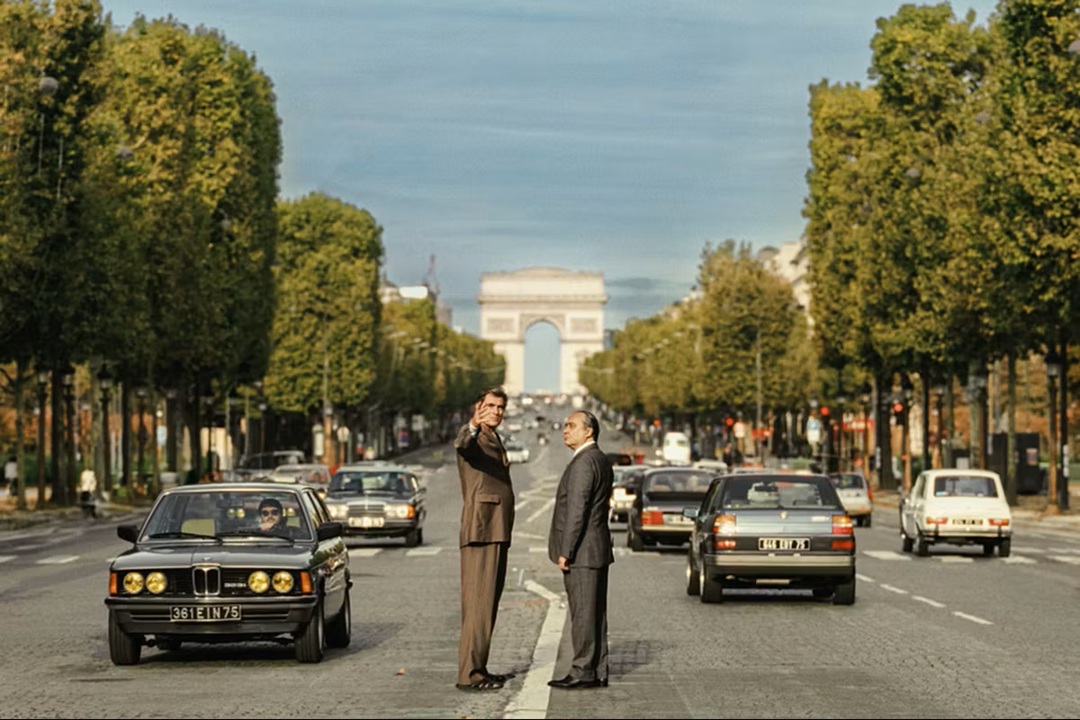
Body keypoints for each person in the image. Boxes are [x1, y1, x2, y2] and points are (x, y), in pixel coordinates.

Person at [454, 387, 516, 692]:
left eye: (500, 407)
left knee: (486, 604)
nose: (496, 411)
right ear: (477, 408)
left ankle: (479, 667)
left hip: (494, 528)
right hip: (482, 529)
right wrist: (473, 426)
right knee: (478, 605)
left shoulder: (494, 436)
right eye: (490, 406)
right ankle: (469, 674)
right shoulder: (475, 436)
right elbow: (463, 444)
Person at [547, 409, 614, 690]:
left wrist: (566, 550)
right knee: (595, 613)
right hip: (595, 548)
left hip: (583, 551)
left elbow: (577, 510)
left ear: (589, 431)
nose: (565, 430)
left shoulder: (583, 463)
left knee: (583, 614)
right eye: (564, 425)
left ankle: (582, 670)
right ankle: (597, 669)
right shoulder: (599, 458)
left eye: (572, 426)